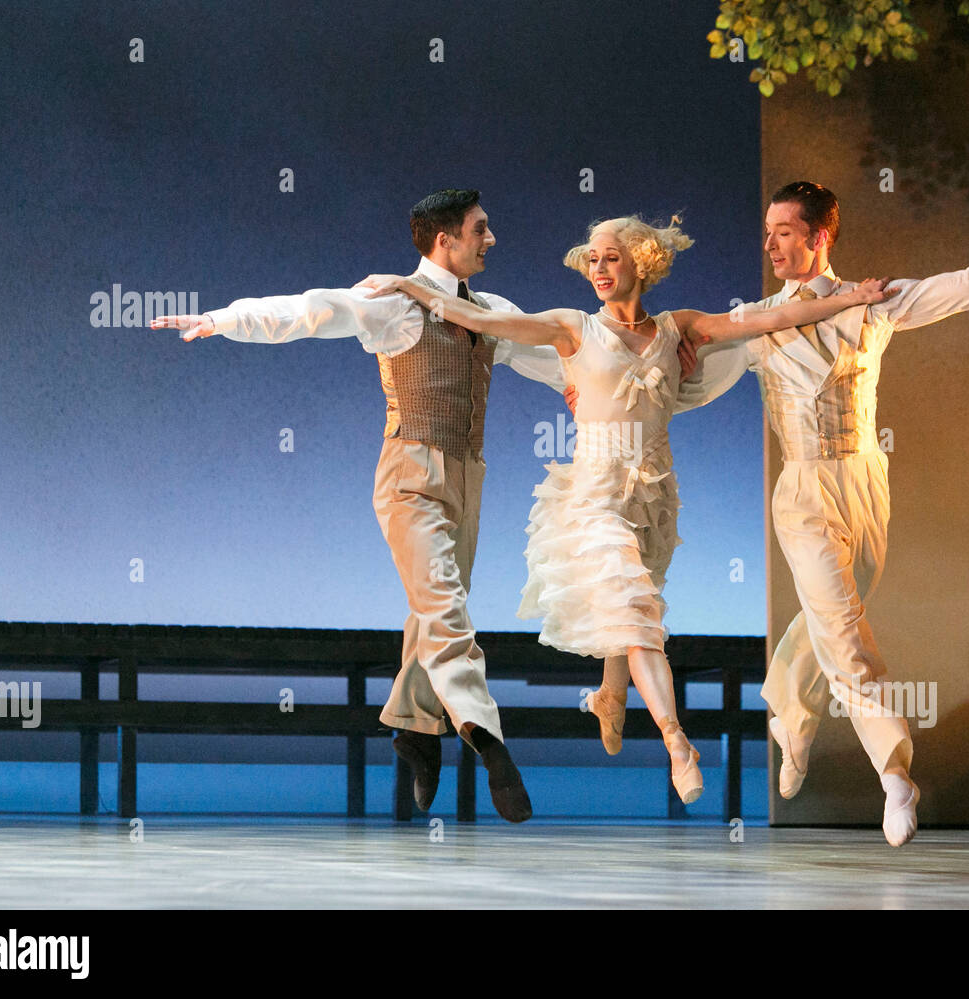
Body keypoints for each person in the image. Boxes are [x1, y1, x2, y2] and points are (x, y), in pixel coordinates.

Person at [152, 189, 653, 823]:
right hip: (409, 474)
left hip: (468, 476)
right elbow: (311, 311)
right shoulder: (393, 302)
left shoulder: (491, 309)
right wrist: (222, 318)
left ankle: (415, 728)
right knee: (444, 608)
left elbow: (558, 359)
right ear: (446, 240)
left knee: (435, 608)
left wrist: (633, 375)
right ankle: (485, 735)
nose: (490, 239)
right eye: (480, 229)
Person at [361, 215, 893, 804]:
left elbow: (765, 318)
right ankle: (677, 745)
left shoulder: (677, 328)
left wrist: (849, 298)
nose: (598, 270)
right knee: (638, 625)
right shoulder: (572, 327)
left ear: (640, 261)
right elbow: (487, 320)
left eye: (610, 258)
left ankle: (612, 697)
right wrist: (417, 287)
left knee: (632, 611)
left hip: (654, 493)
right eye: (591, 260)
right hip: (593, 494)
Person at [671, 179, 969, 844]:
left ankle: (788, 712)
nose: (770, 243)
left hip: (864, 481)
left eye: (785, 230)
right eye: (767, 231)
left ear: (820, 235)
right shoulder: (755, 324)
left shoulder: (872, 302)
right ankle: (894, 772)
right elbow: (687, 388)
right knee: (845, 634)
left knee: (837, 616)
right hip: (802, 491)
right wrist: (617, 393)